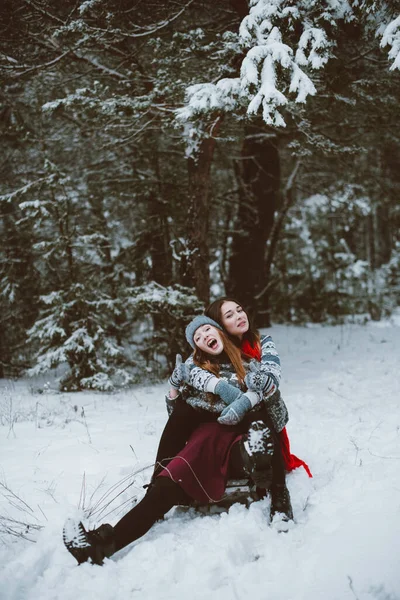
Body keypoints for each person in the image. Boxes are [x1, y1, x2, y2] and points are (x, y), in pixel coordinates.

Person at [62, 316, 283, 567]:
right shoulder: (197, 371)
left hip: (239, 434)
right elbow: (177, 417)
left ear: (220, 332)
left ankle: (259, 461)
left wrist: (247, 400)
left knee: (247, 446)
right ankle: (100, 546)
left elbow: (270, 400)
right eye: (197, 339)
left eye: (207, 330)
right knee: (162, 490)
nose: (203, 337)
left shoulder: (249, 365)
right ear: (197, 348)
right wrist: (175, 389)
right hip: (202, 444)